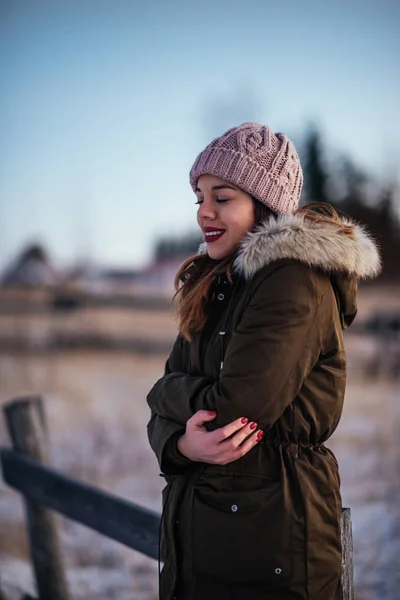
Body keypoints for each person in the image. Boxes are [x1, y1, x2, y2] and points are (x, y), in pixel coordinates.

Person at [146, 122, 381, 600]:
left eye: (222, 198)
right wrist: (182, 447)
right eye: (199, 197)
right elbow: (160, 413)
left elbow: (233, 411)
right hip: (205, 541)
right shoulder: (216, 287)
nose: (203, 213)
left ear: (264, 204)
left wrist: (165, 394)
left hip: (271, 537)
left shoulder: (293, 279)